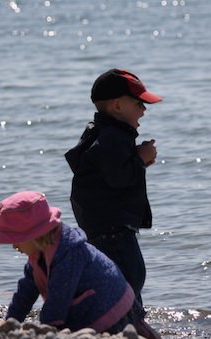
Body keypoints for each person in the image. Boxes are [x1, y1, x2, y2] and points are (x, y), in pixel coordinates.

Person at [0, 191, 160, 339]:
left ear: (34, 235)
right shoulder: (40, 252)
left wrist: (46, 330)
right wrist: (11, 322)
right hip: (92, 308)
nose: (14, 246)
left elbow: (58, 300)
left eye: (15, 240)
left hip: (112, 312)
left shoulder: (68, 253)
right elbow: (26, 291)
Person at [65, 68, 162, 306]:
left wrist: (138, 162)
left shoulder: (102, 134)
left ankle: (127, 315)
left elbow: (109, 176)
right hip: (112, 228)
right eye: (139, 103)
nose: (144, 109)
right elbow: (119, 177)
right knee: (132, 275)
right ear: (118, 106)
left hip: (101, 225)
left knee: (119, 277)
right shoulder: (111, 138)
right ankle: (128, 318)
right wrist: (139, 158)